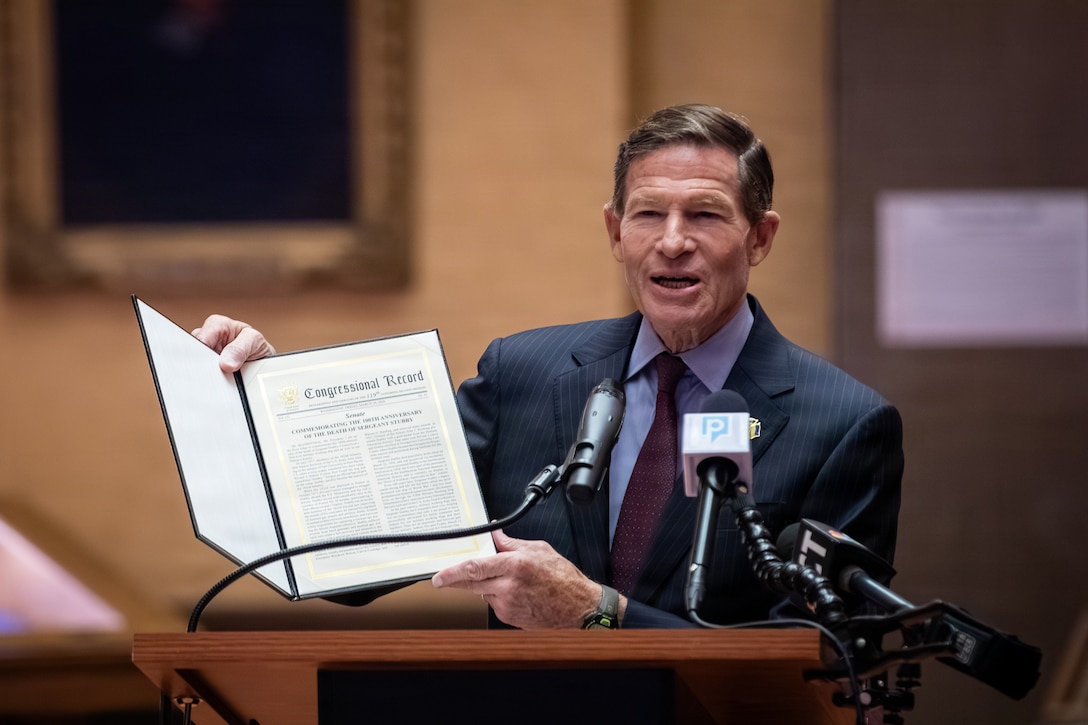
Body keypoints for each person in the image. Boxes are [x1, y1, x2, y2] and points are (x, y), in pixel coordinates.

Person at [195, 104, 903, 630]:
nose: (673, 241)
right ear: (614, 232)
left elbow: (823, 653)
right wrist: (266, 402)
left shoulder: (843, 423)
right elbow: (355, 561)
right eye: (649, 214)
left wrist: (601, 613)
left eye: (707, 215)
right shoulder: (522, 373)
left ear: (761, 236)